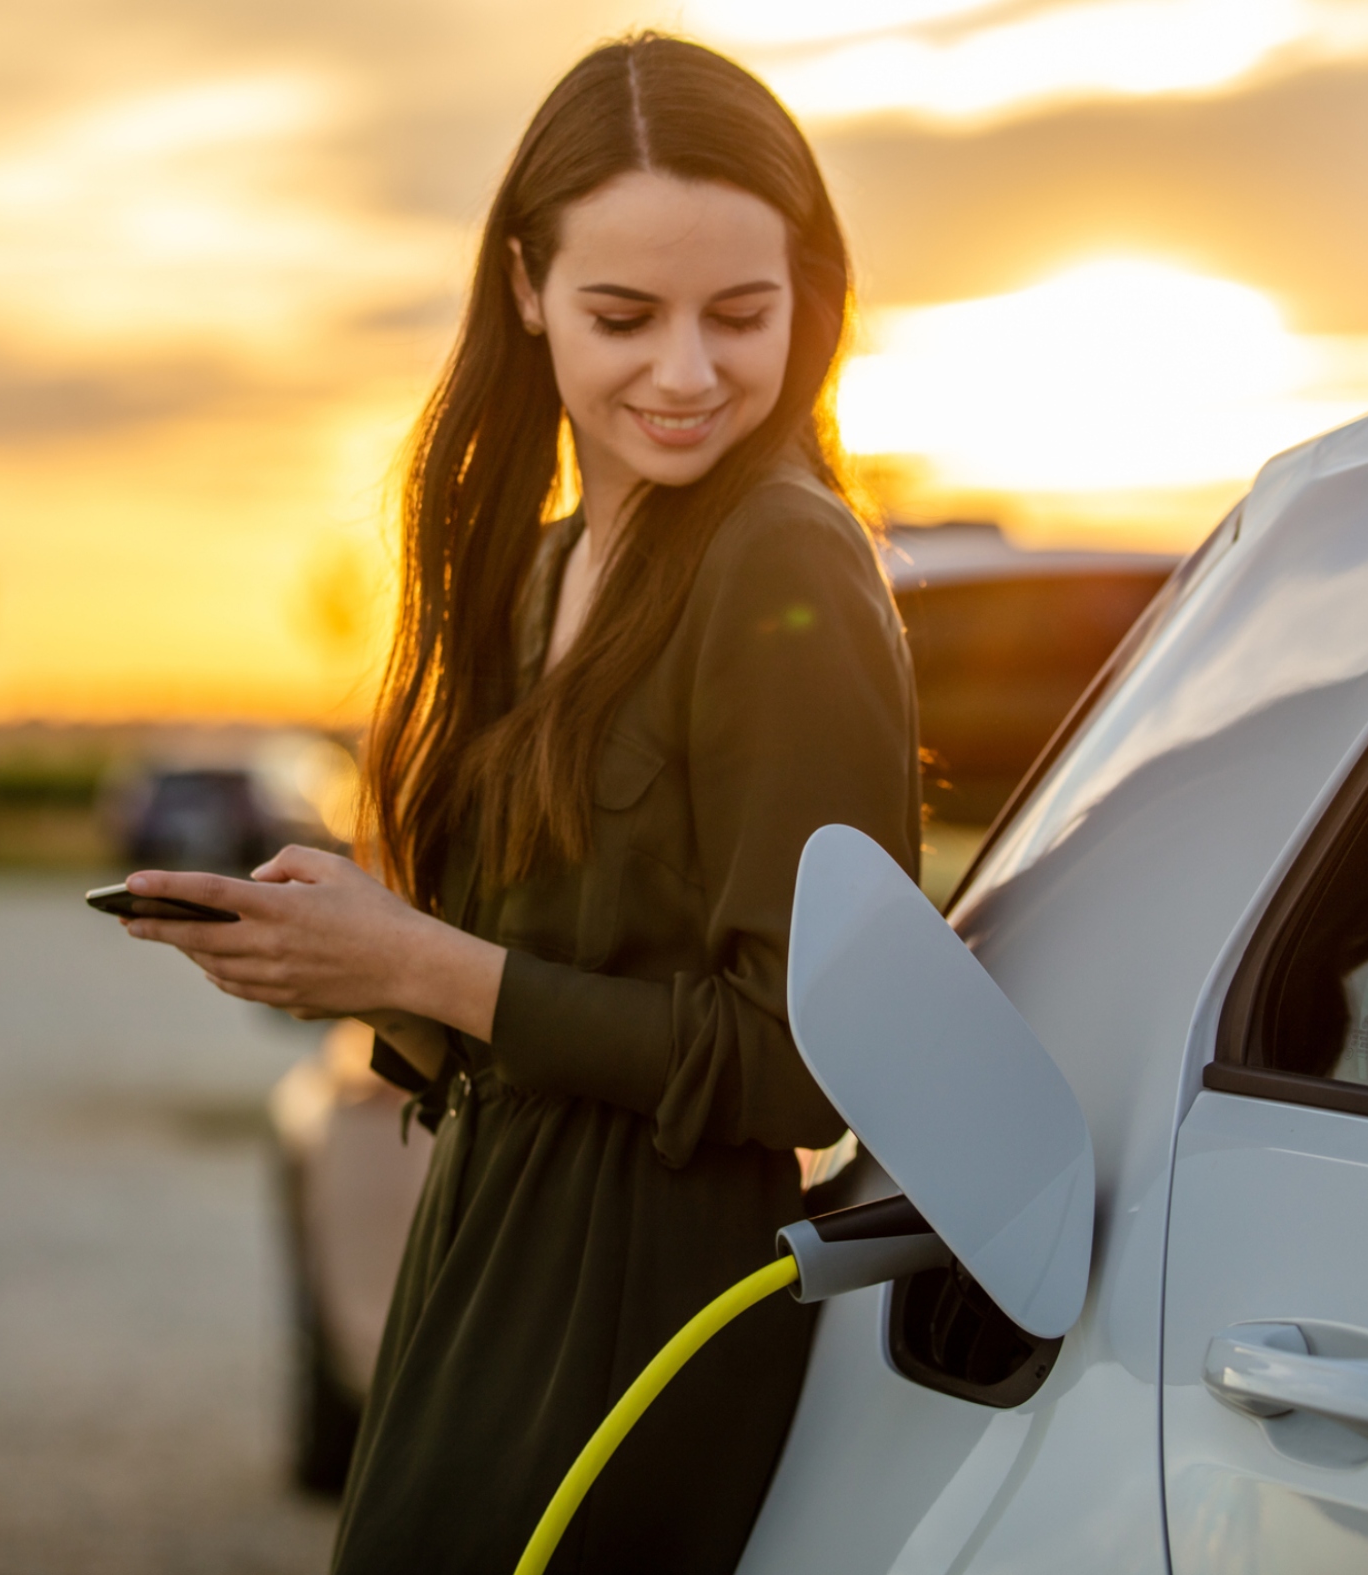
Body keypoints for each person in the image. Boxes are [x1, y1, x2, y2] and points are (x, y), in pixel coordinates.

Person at [121, 33, 919, 1575]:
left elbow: (797, 1066)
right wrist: (346, 962)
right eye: (625, 315)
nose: (687, 374)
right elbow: (520, 1008)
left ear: (805, 303)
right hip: (481, 1258)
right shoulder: (540, 570)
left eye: (739, 316)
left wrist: (421, 968)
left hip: (647, 1314)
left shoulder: (782, 561)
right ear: (524, 290)